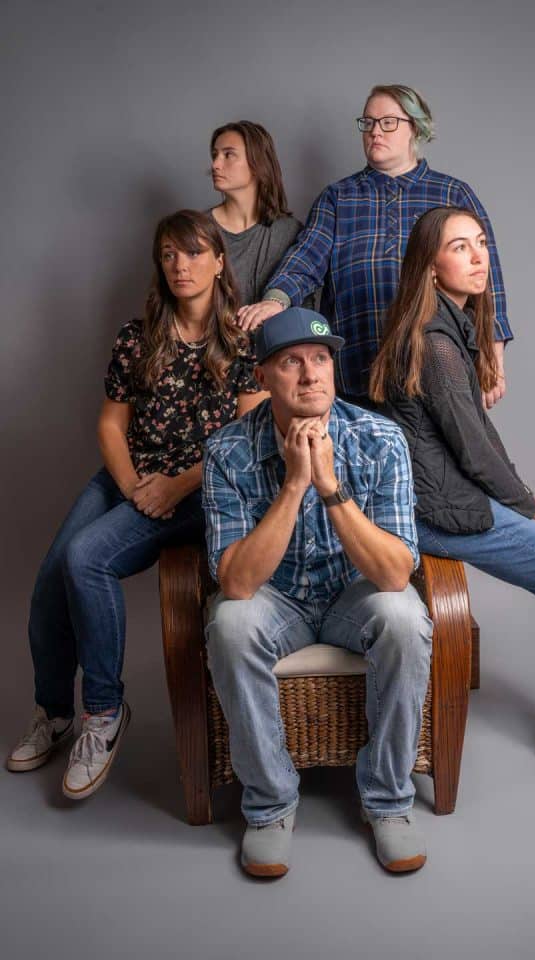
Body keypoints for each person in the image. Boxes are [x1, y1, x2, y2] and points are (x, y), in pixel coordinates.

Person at [7, 210, 267, 798]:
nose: (181, 265)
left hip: (203, 487)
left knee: (86, 558)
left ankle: (103, 712)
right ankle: (54, 713)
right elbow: (109, 424)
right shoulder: (137, 336)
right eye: (169, 255)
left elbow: (248, 440)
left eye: (194, 253)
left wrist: (174, 487)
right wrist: (132, 488)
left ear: (220, 261)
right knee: (52, 580)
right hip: (131, 476)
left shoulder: (245, 340)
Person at [370, 206, 535, 765]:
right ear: (431, 266)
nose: (477, 256)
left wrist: (525, 497)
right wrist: (526, 506)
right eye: (459, 247)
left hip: (454, 499)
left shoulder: (448, 328)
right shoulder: (435, 345)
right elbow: (473, 450)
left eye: (480, 243)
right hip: (441, 515)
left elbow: (478, 437)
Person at [203, 307, 432, 877]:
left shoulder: (380, 439)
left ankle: (388, 800)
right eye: (290, 362)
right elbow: (235, 582)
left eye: (321, 359)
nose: (310, 374)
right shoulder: (226, 452)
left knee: (405, 616)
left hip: (353, 596)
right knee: (230, 622)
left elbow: (394, 574)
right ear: (262, 378)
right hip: (277, 604)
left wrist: (329, 489)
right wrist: (294, 485)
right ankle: (270, 805)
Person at [236, 84, 510, 409]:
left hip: (436, 374)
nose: (375, 132)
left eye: (388, 122)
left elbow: (487, 284)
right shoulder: (338, 198)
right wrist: (276, 300)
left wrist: (493, 363)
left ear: (415, 128)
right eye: (368, 123)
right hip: (357, 379)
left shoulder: (453, 194)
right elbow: (306, 258)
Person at [208, 120, 306, 306]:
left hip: (275, 335)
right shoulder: (199, 230)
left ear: (257, 163)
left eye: (228, 154)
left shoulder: (289, 232)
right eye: (215, 155)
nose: (215, 165)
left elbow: (301, 303)